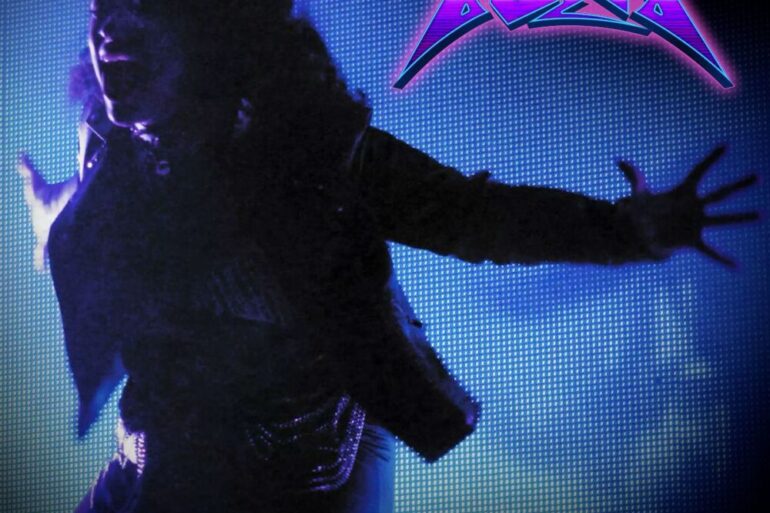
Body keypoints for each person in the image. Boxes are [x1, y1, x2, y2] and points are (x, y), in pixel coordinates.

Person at [17, 0, 759, 512]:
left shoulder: (313, 159)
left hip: (295, 483)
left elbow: (476, 217)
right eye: (100, 11)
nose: (106, 33)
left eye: (140, 15)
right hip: (156, 463)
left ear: (208, 33)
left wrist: (625, 231)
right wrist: (63, 223)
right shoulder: (111, 144)